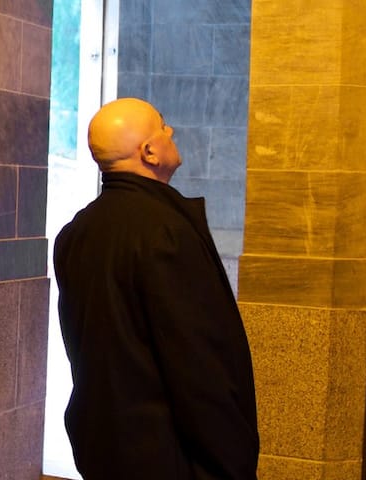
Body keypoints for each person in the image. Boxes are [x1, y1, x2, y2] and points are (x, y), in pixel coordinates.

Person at [53, 98, 259, 479]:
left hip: (103, 448)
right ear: (148, 151)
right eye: (162, 127)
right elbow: (199, 364)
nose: (171, 132)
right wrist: (233, 462)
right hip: (166, 457)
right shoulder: (167, 232)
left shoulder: (76, 232)